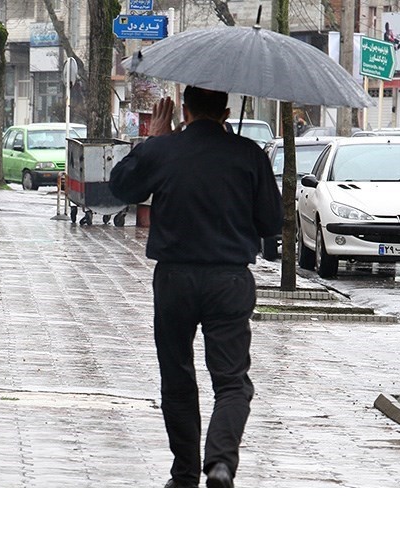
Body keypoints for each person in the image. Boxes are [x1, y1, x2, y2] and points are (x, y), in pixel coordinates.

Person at [108, 86, 283, 488]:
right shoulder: (249, 155)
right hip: (229, 280)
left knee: (177, 376)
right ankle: (220, 463)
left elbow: (121, 187)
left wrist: (154, 140)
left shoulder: (164, 149)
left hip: (175, 280)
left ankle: (184, 472)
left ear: (183, 110)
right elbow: (271, 224)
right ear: (224, 112)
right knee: (232, 381)